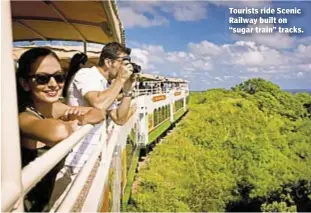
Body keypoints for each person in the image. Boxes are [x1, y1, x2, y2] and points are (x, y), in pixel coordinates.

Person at [16, 47, 106, 212]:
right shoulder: (22, 116)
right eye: (42, 78)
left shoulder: (54, 107)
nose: (53, 84)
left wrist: (79, 117)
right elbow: (58, 132)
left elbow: (98, 112)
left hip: (42, 204)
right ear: (24, 83)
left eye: (59, 77)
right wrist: (71, 123)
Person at [65, 42, 136, 125]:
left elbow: (119, 119)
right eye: (123, 62)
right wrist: (121, 79)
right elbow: (99, 104)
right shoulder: (86, 74)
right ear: (108, 62)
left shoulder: (108, 85)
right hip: (81, 136)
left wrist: (127, 92)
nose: (125, 67)